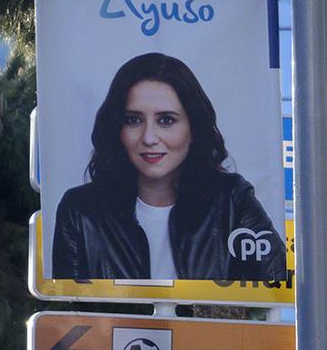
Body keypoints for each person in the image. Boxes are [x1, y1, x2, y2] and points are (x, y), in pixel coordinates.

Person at [50, 52, 287, 282]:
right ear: (117, 128)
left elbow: (279, 288)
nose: (149, 137)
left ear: (193, 127)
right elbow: (69, 311)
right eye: (133, 120)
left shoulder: (233, 200)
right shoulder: (80, 211)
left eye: (166, 120)